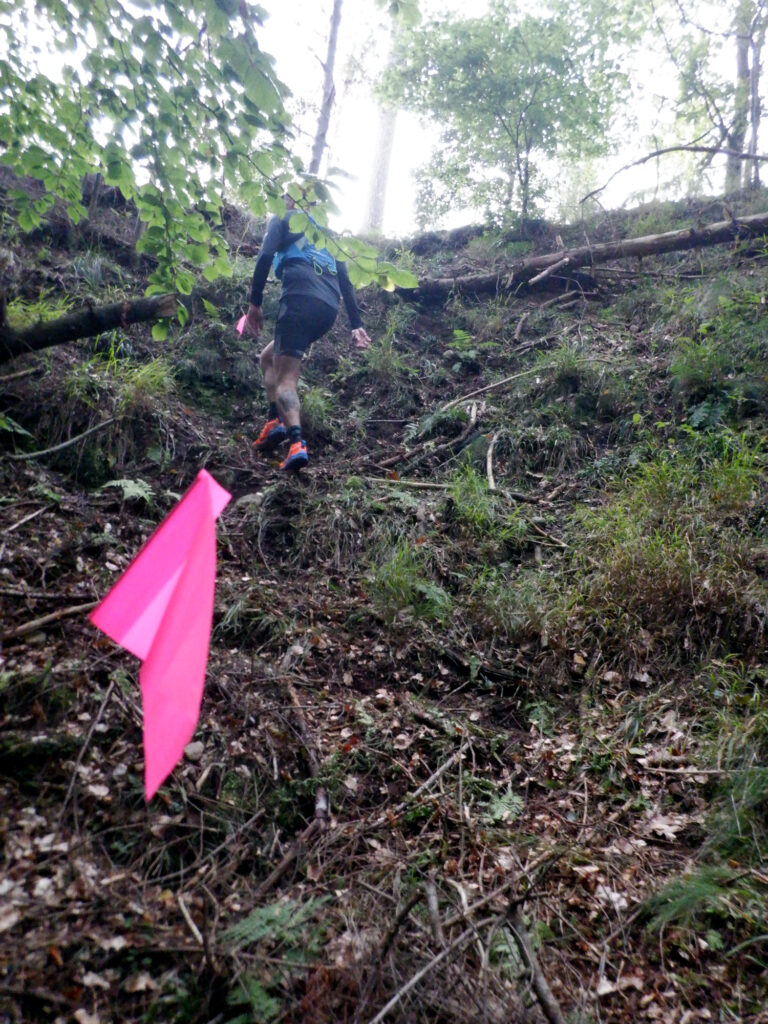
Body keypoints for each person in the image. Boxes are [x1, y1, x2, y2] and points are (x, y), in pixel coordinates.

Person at [244, 193, 372, 471]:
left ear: (290, 202)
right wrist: (356, 325)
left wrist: (254, 303)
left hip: (298, 298)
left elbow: (265, 255)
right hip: (327, 309)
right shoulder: (327, 233)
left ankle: (296, 443)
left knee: (286, 379)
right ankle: (274, 421)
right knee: (269, 359)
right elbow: (346, 282)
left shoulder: (283, 218)